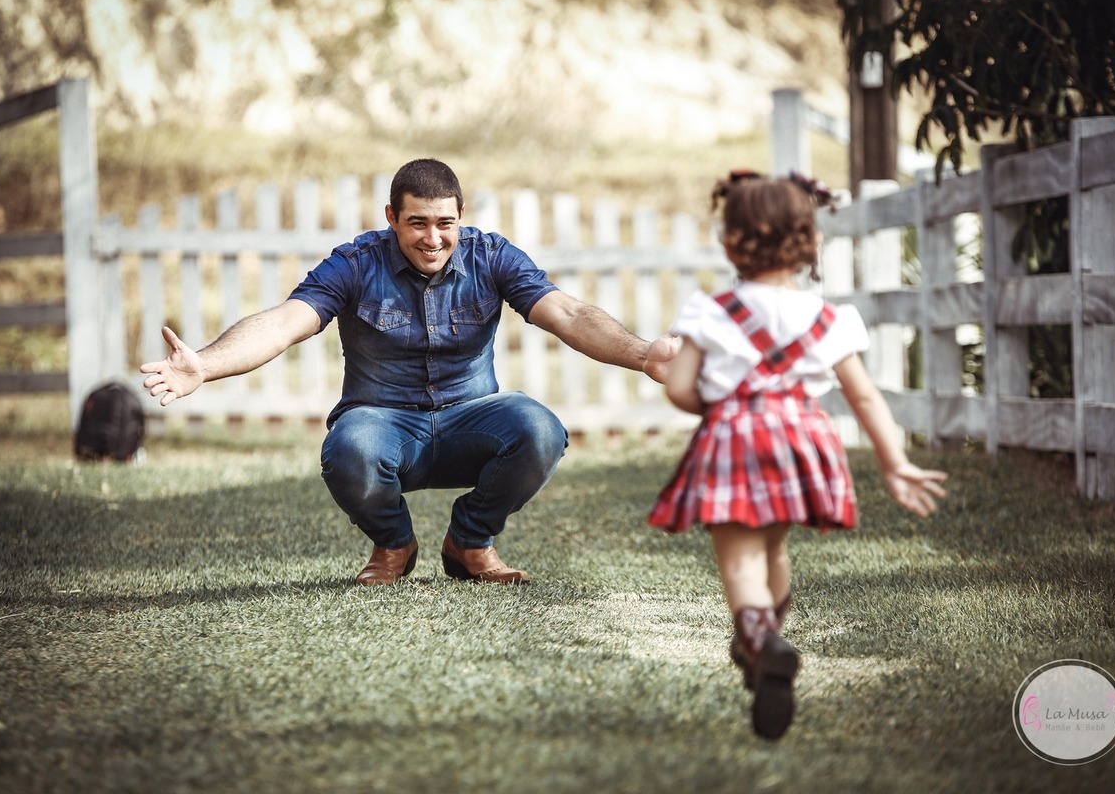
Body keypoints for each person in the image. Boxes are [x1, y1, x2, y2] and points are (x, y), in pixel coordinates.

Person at [142, 158, 677, 586]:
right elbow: (285, 322)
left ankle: (470, 542)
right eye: (416, 222)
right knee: (347, 446)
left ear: (461, 216)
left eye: (445, 223)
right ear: (392, 217)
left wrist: (643, 352)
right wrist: (205, 365)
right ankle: (394, 543)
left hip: (471, 422)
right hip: (384, 425)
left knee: (539, 429)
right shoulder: (355, 264)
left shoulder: (492, 257)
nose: (432, 238)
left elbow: (569, 313)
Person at [647, 170, 948, 740]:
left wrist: (715, 402)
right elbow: (862, 394)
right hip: (801, 441)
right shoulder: (828, 318)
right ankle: (768, 643)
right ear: (810, 244)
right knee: (773, 544)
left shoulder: (709, 313)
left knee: (738, 560)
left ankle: (760, 641)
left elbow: (680, 388)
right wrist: (895, 463)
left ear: (730, 243)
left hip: (735, 438)